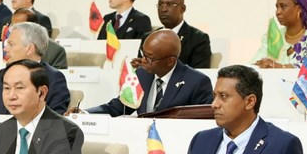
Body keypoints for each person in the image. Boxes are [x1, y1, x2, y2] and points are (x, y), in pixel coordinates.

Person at [120, 65, 305, 154]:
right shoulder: (202, 141)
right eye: (214, 96)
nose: (214, 104)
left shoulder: (282, 146)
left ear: (250, 101)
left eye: (223, 97)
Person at [77, 30, 212, 116]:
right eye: (143, 54)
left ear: (170, 61)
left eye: (149, 58)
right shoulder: (142, 74)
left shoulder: (197, 82)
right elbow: (119, 106)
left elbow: (202, 122)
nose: (143, 60)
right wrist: (85, 113)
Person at [0, 22, 70, 114]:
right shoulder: (3, 74)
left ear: (29, 48)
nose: (5, 49)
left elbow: (55, 118)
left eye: (11, 44)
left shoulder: (53, 78)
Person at [253, 0, 307, 69]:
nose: (278, 12)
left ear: (299, 9)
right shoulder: (274, 38)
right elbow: (255, 66)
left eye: (283, 6)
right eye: (277, 7)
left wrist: (281, 67)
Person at [135, 0, 211, 69]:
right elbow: (141, 69)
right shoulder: (148, 37)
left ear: (183, 8)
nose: (163, 9)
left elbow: (199, 73)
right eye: (160, 5)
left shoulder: (198, 39)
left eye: (169, 4)